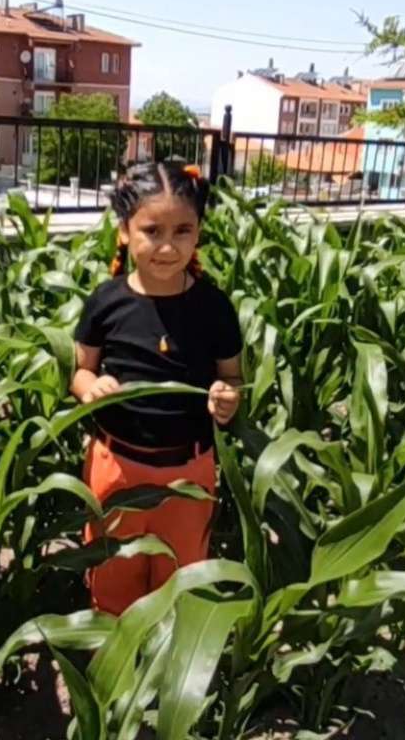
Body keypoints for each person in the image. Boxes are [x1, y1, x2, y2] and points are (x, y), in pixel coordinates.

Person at [70, 161, 244, 616]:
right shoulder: (106, 303)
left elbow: (233, 376)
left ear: (199, 232)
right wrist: (91, 386)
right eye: (152, 230)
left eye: (183, 230)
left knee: (180, 588)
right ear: (125, 231)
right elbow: (80, 371)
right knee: (111, 583)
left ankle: (170, 679)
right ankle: (111, 674)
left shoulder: (213, 308)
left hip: (190, 475)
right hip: (115, 470)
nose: (168, 246)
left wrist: (227, 398)